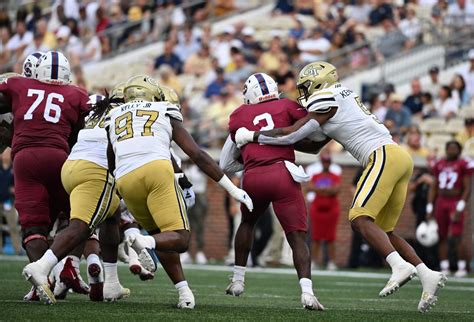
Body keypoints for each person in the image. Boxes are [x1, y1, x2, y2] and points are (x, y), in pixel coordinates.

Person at [236, 62, 447, 313]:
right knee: (384, 230)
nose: (303, 93)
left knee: (359, 218)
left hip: (382, 155)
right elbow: (312, 145)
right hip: (398, 157)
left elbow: (292, 134)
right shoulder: (337, 99)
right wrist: (272, 143)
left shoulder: (327, 97)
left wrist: (254, 136)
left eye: (305, 87)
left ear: (318, 83)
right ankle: (426, 273)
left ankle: (399, 266)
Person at [104, 75, 253, 309]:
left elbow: (111, 162)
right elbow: (197, 155)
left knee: (162, 238)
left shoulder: (114, 116)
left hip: (125, 179)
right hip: (156, 170)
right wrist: (232, 188)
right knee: (180, 239)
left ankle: (183, 292)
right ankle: (141, 239)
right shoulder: (163, 109)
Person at [221, 73, 326, 311]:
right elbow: (312, 134)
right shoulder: (287, 104)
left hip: (253, 177)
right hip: (282, 173)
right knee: (296, 236)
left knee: (247, 223)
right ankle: (307, 293)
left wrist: (250, 160)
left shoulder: (238, 115)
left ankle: (238, 280)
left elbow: (225, 162)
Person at [0, 51, 90, 297]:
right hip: (59, 158)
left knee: (32, 226)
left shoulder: (18, 84)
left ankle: (42, 283)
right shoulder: (76, 93)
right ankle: (69, 266)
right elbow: (95, 115)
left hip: (24, 159)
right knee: (78, 217)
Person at [426, 141, 472, 277]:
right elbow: (433, 187)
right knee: (441, 235)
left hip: (455, 200)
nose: (452, 151)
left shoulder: (463, 164)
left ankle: (462, 267)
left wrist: (460, 206)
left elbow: (467, 188)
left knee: (456, 235)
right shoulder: (439, 164)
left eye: (454, 148)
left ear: (459, 150)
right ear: (446, 149)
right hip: (441, 201)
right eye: (449, 148)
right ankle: (444, 266)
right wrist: (430, 207)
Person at [306, 152, 341, 271]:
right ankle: (315, 261)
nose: (326, 164)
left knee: (331, 237)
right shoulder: (316, 175)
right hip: (317, 209)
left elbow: (336, 190)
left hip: (331, 210)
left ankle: (331, 262)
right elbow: (309, 188)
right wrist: (325, 190)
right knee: (316, 237)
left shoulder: (334, 176)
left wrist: (319, 189)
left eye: (328, 162)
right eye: (324, 161)